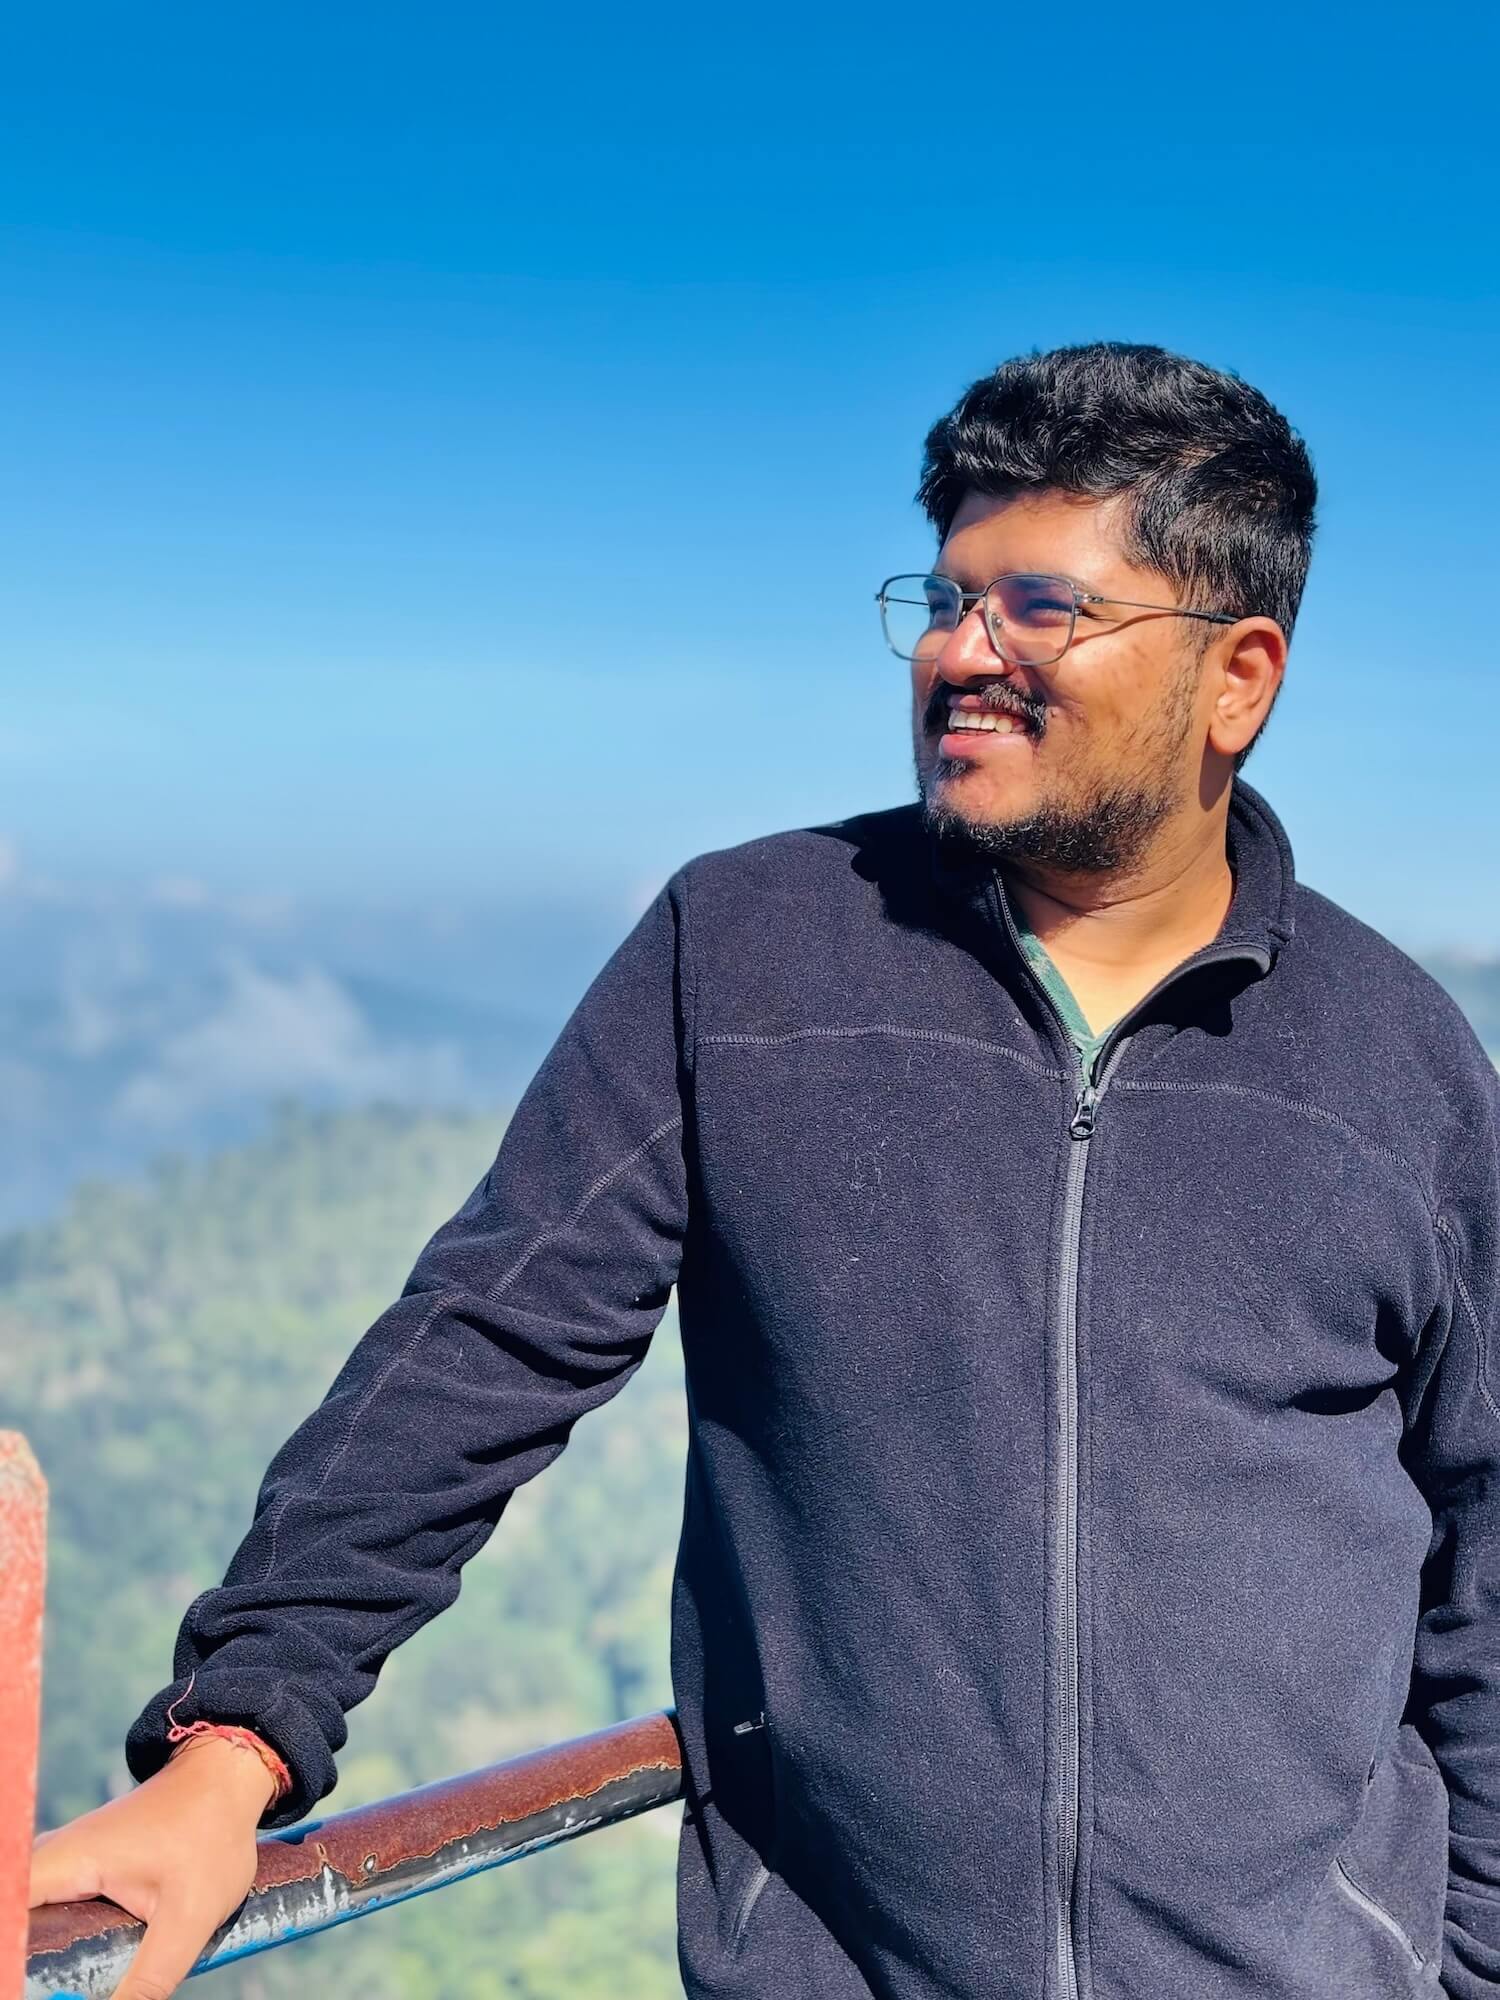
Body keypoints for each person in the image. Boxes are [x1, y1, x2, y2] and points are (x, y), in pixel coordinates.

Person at [29, 341, 1500, 2000]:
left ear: (1237, 677)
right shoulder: (744, 956)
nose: (962, 653)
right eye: (946, 599)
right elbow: (484, 1346)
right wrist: (234, 1744)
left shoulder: (1403, 1068)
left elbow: (1485, 1554)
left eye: (1042, 607)